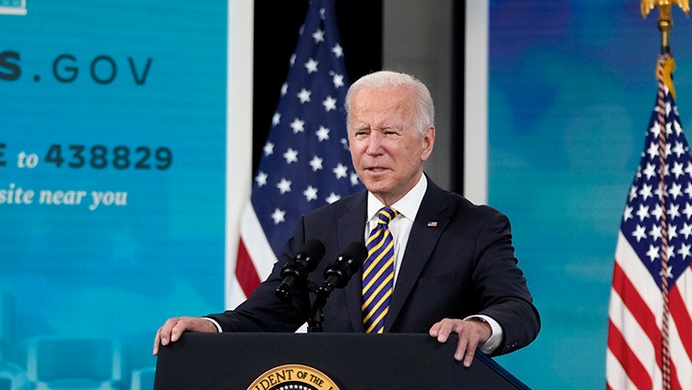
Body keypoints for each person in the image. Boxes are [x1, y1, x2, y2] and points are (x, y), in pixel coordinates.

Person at [153, 70, 539, 367]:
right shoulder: (319, 229)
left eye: (389, 132)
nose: (373, 148)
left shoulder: (474, 226)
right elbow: (267, 313)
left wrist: (478, 327)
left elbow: (518, 310)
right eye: (361, 132)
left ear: (426, 141)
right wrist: (211, 327)